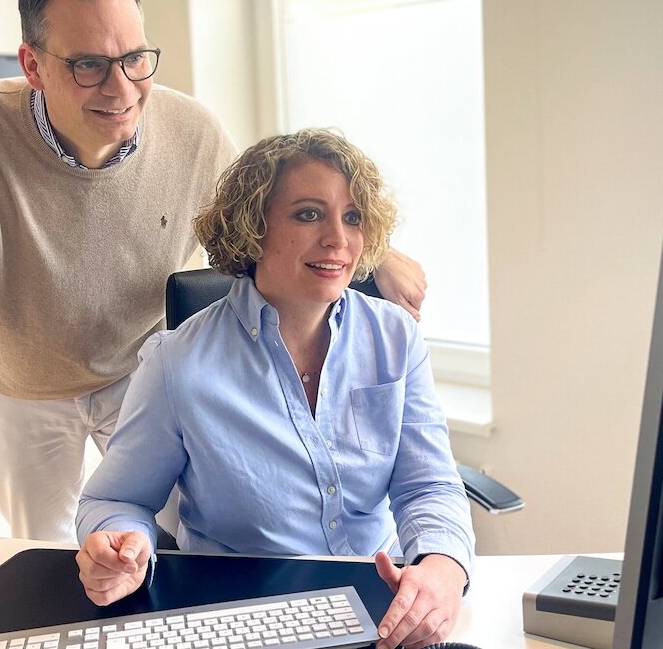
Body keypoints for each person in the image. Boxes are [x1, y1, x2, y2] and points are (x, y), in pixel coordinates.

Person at [0, 0, 426, 601]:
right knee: (50, 565)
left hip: (143, 368)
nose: (121, 88)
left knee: (162, 553)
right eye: (88, 65)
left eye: (135, 58)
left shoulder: (191, 131)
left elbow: (267, 209)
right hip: (24, 385)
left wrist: (374, 250)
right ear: (33, 66)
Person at [75, 129, 473, 649]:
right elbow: (115, 499)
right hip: (243, 615)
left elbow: (430, 485)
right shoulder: (178, 362)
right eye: (309, 214)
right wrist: (120, 546)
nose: (338, 239)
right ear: (253, 226)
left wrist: (443, 565)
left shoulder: (396, 338)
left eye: (353, 217)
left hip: (383, 607)